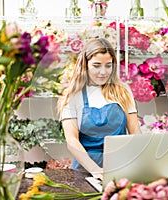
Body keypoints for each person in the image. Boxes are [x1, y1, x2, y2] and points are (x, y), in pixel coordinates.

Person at [57, 38, 141, 179]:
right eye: (96, 66)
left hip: (120, 167)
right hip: (85, 170)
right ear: (86, 65)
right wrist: (95, 170)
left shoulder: (122, 91)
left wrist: (142, 159)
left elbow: (135, 132)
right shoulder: (73, 95)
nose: (103, 72)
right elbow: (72, 141)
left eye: (108, 66)